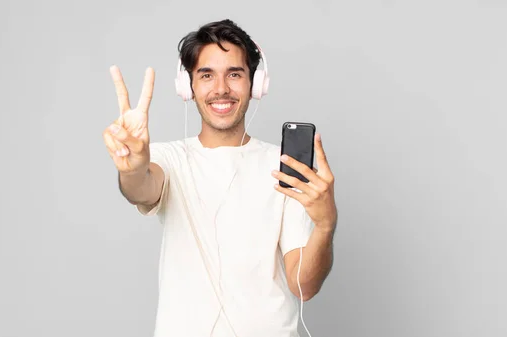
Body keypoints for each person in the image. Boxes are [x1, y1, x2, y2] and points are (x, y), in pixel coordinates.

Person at [102, 19, 338, 337]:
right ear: (188, 87)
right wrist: (131, 168)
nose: (221, 88)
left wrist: (325, 226)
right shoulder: (167, 159)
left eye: (235, 74)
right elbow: (141, 187)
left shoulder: (283, 166)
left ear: (256, 84)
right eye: (207, 75)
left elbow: (304, 286)